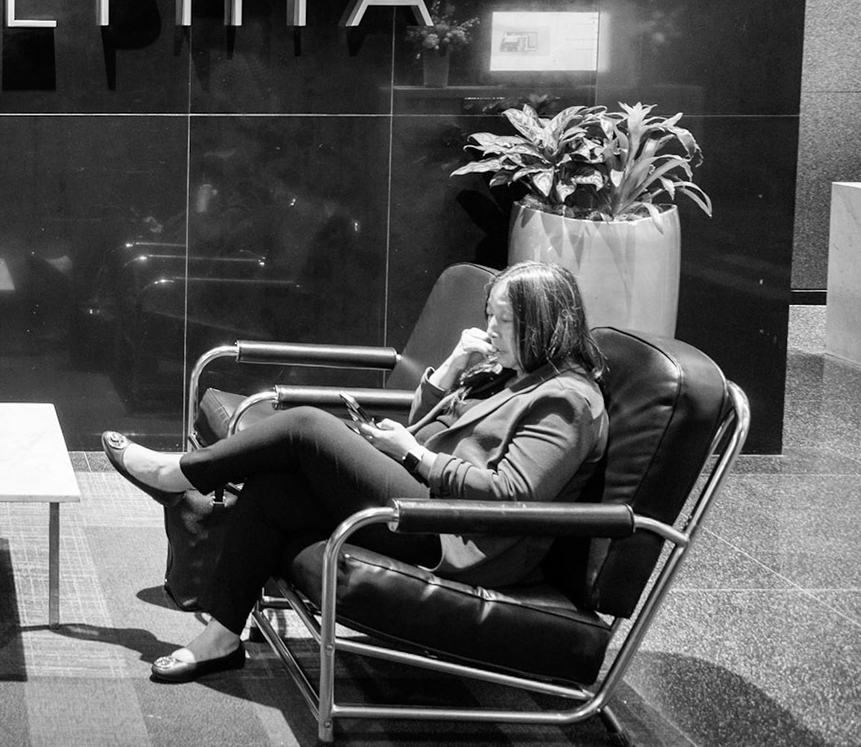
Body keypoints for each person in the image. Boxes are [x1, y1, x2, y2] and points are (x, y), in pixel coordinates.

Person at [102, 260, 608, 682]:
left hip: (458, 532)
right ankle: (221, 637)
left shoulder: (567, 400)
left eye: (504, 321)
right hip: (426, 497)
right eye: (489, 316)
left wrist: (416, 456)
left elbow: (509, 494)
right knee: (273, 490)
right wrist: (453, 368)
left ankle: (180, 475)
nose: (491, 330)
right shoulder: (511, 372)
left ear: (544, 324)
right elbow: (425, 424)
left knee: (305, 426)